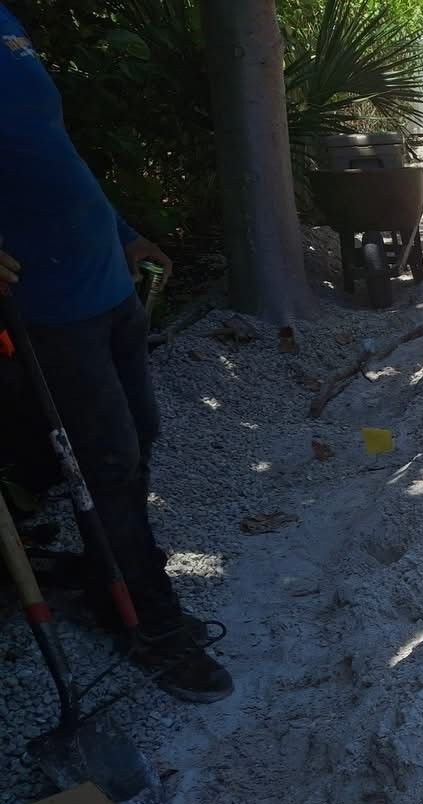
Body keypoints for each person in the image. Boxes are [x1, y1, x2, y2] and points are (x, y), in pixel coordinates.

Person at [0, 1, 232, 702]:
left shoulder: (8, 22)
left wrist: (123, 229)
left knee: (136, 445)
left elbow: (50, 147)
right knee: (103, 464)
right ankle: (151, 625)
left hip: (104, 280)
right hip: (44, 306)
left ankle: (112, 587)